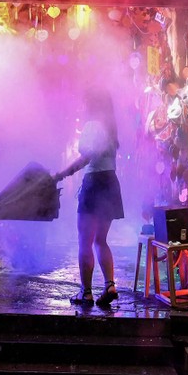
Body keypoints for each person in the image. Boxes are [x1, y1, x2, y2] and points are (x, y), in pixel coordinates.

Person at [52, 86, 125, 307]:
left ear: (92, 104)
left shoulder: (93, 126)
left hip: (95, 184)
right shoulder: (110, 128)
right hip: (111, 182)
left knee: (85, 240)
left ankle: (86, 293)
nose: (82, 106)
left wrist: (62, 174)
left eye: (85, 101)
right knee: (101, 240)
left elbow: (86, 158)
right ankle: (110, 285)